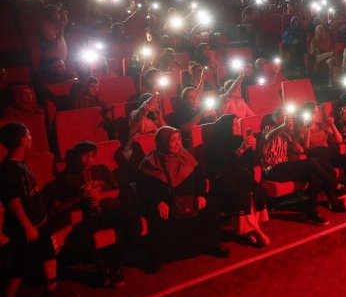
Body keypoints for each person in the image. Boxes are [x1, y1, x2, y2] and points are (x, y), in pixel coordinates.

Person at [0, 123, 79, 297]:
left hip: (39, 222)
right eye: (28, 134)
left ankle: (50, 290)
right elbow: (13, 202)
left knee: (49, 253)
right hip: (25, 227)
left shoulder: (21, 164)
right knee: (19, 266)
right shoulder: (9, 169)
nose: (31, 138)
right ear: (21, 140)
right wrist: (27, 226)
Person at [137, 126, 229, 263]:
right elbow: (143, 188)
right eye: (172, 140)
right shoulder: (149, 163)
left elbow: (200, 176)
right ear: (162, 143)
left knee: (211, 207)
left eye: (179, 139)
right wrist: (158, 202)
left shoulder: (185, 155)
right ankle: (158, 257)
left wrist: (201, 195)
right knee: (157, 217)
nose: (178, 143)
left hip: (191, 198)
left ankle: (211, 245)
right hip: (166, 202)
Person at [61, 141, 142, 287]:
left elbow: (117, 192)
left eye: (92, 156)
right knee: (79, 235)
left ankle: (116, 264)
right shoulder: (69, 178)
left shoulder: (102, 169)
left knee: (135, 225)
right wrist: (81, 196)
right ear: (77, 157)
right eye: (84, 156)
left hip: (113, 210)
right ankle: (102, 267)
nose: (88, 160)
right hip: (93, 215)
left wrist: (102, 195)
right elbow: (64, 203)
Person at [262, 108, 346, 224]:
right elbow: (269, 137)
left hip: (285, 167)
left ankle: (312, 212)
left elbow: (300, 150)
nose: (288, 119)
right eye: (284, 116)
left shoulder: (287, 133)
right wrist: (283, 126)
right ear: (275, 118)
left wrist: (291, 134)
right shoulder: (269, 128)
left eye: (288, 117)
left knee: (314, 175)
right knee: (312, 161)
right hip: (273, 169)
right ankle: (336, 186)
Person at [205, 115, 269, 247]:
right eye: (233, 125)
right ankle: (256, 231)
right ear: (225, 127)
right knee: (241, 193)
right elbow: (224, 166)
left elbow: (250, 162)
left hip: (239, 176)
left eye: (237, 124)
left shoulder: (239, 139)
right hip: (222, 179)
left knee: (255, 190)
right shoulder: (215, 145)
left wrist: (253, 148)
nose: (237, 127)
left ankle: (248, 230)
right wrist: (242, 149)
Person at [296, 103, 346, 208]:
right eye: (315, 112)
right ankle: (337, 197)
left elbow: (339, 140)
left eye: (317, 112)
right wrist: (308, 128)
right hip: (316, 156)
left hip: (329, 153)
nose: (317, 114)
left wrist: (332, 124)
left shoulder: (322, 125)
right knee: (329, 170)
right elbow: (306, 147)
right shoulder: (302, 128)